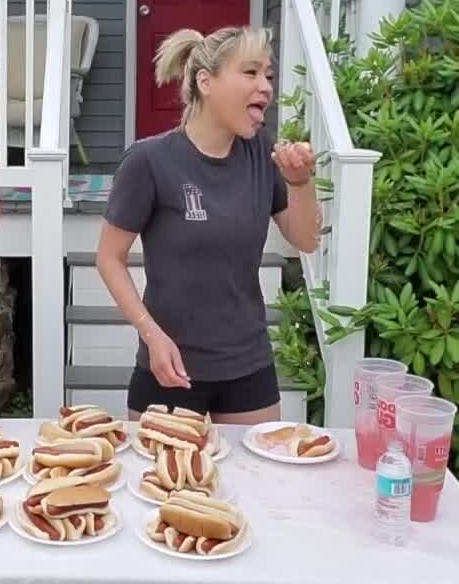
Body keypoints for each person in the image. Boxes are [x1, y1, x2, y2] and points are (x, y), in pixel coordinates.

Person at [96, 26, 321, 425]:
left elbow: (304, 239)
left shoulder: (261, 154)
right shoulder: (148, 161)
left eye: (268, 75)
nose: (265, 87)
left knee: (254, 484)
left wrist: (301, 182)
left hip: (249, 368)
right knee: (165, 484)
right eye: (250, 73)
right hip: (169, 369)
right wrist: (152, 334)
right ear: (205, 82)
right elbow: (109, 258)